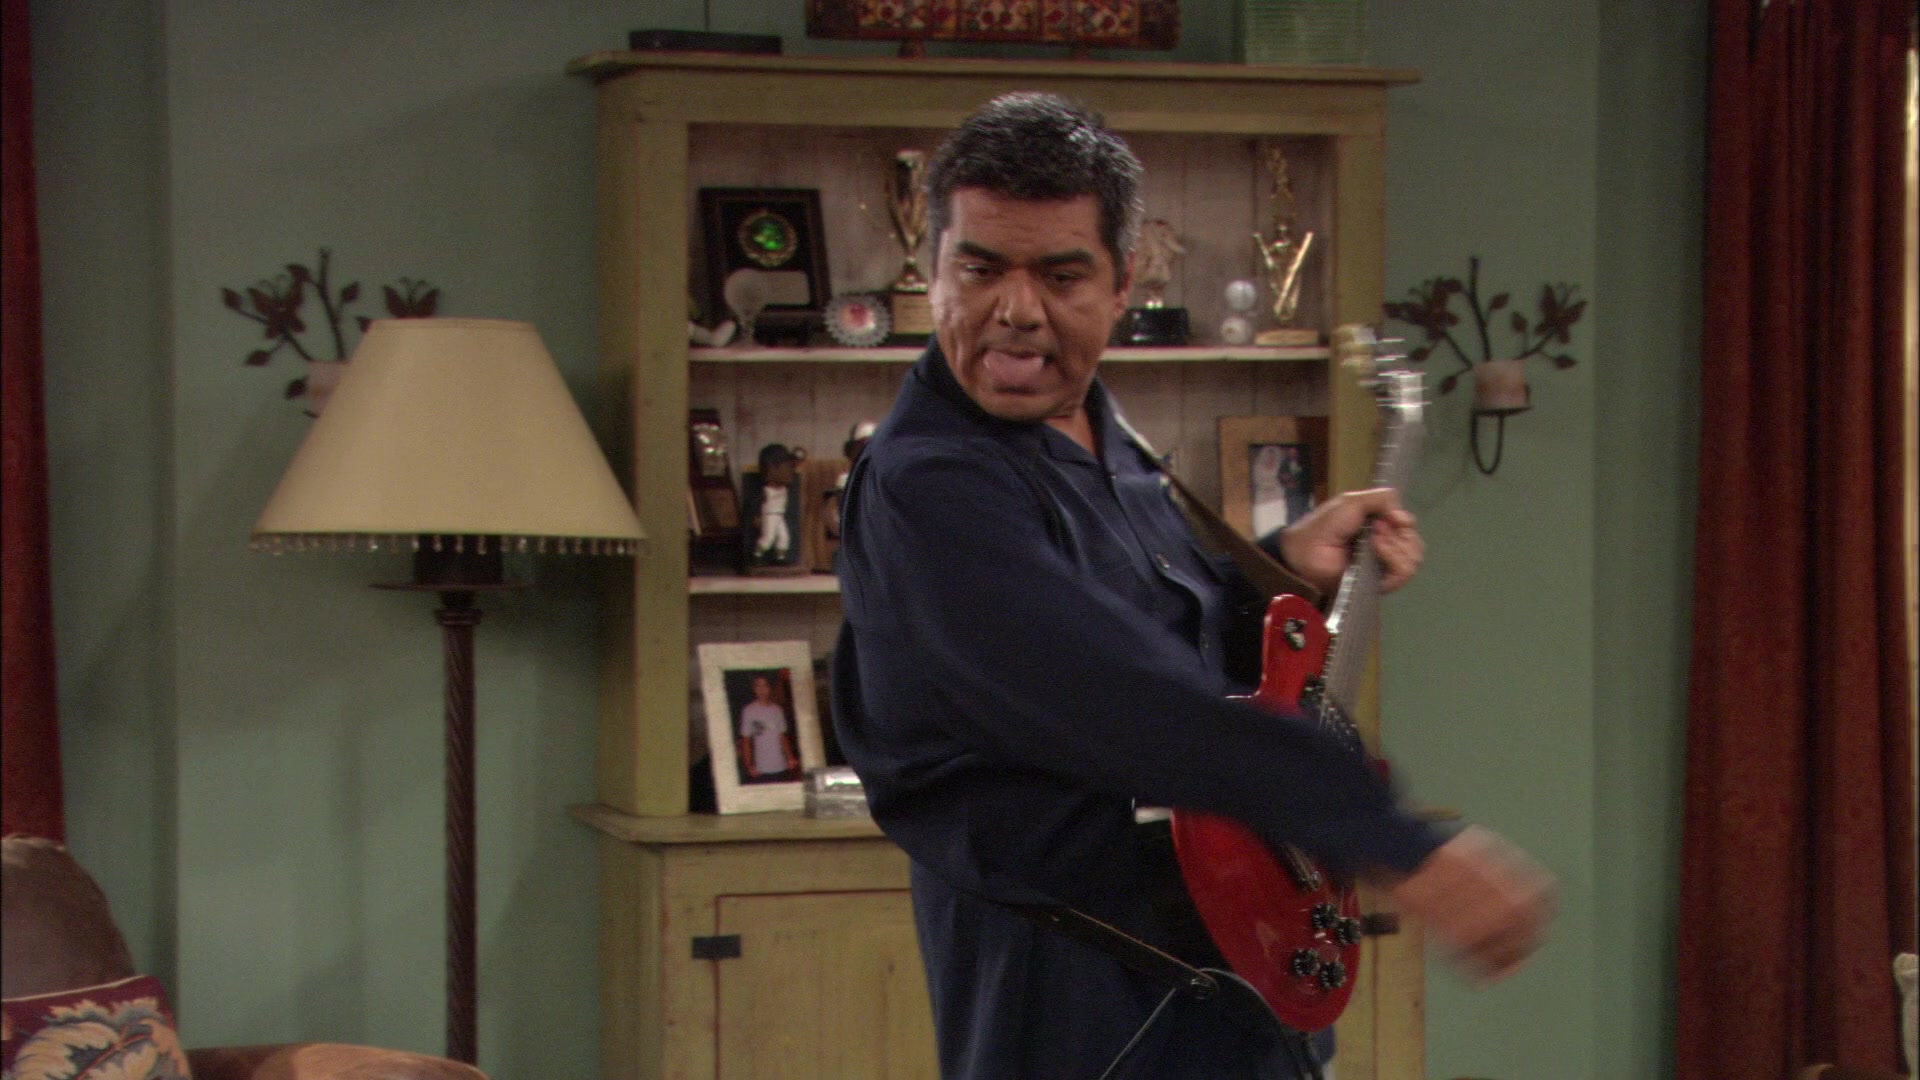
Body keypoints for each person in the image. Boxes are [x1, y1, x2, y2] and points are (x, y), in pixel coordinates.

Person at [831, 92, 1554, 1080]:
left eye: (1061, 275)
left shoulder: (1096, 422)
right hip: (1082, 996)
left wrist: (1282, 565)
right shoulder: (931, 484)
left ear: (1122, 284)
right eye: (981, 268)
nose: (1016, 310)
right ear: (936, 269)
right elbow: (1113, 693)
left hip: (1223, 958)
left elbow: (1149, 625)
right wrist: (1391, 842)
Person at [737, 673, 799, 781]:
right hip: (761, 768)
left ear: (769, 688)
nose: (762, 690)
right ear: (754, 689)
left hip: (780, 766)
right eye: (758, 686)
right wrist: (749, 765)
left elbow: (782, 736)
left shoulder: (777, 710)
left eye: (765, 686)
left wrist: (790, 758)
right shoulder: (748, 711)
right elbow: (746, 740)